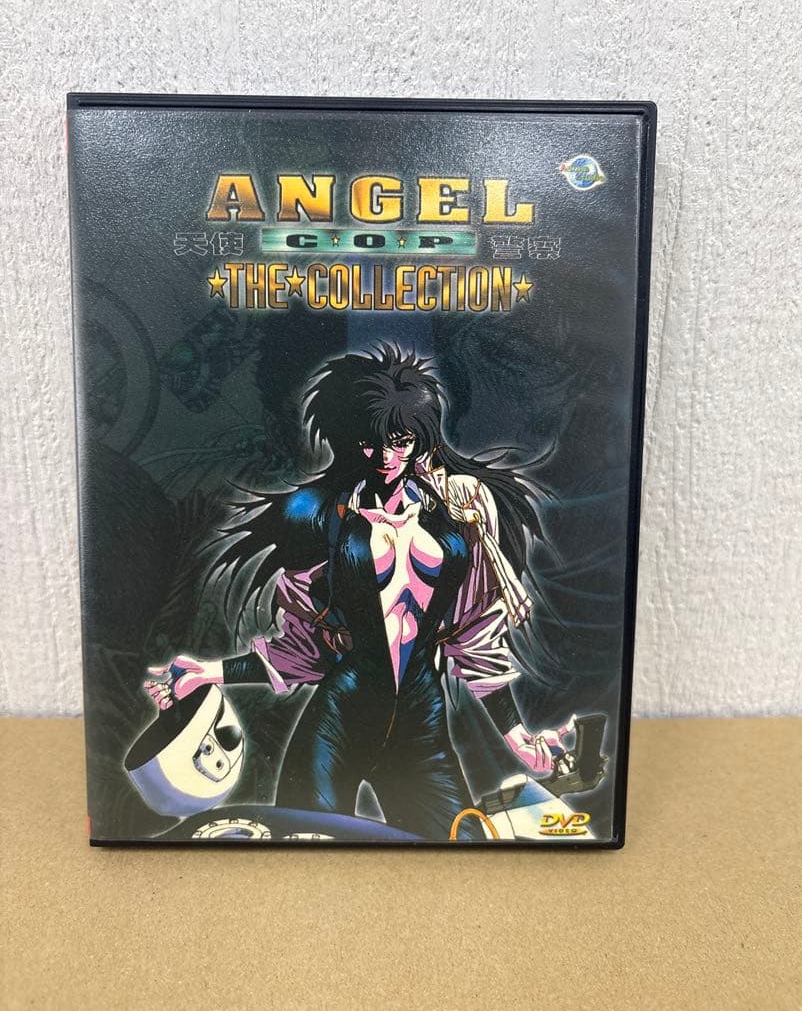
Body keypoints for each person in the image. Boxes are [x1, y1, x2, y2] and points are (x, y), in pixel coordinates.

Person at [145, 344, 574, 840]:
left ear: (419, 437)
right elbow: (303, 651)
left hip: (421, 726)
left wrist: (516, 736)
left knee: (461, 847)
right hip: (339, 725)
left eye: (400, 441)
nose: (386, 458)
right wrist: (210, 672)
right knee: (305, 854)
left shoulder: (457, 517)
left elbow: (472, 636)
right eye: (371, 444)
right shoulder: (318, 517)